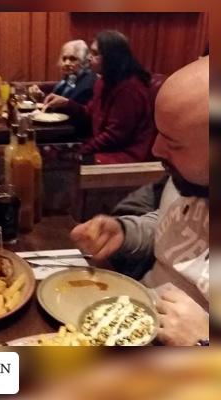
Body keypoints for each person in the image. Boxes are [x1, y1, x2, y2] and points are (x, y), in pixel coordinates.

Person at [70, 56, 209, 346]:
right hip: (122, 321)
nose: (156, 149)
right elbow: (175, 225)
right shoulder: (190, 178)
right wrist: (124, 233)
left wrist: (204, 343)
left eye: (173, 142)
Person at [44, 30, 156, 164]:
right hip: (105, 148)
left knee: (59, 165)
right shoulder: (103, 81)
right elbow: (90, 112)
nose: (89, 57)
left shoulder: (129, 89)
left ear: (112, 57)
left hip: (124, 156)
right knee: (48, 154)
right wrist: (67, 103)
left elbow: (114, 137)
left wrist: (79, 151)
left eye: (95, 53)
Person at [30, 40, 97, 105]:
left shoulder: (88, 82)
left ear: (84, 61)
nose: (66, 63)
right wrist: (40, 89)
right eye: (64, 59)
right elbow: (59, 93)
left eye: (73, 59)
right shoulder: (72, 77)